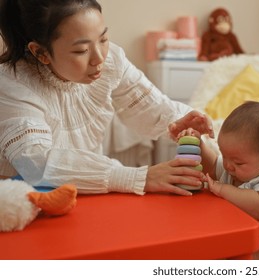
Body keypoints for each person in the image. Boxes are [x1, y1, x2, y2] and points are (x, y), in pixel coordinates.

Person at [0, 0, 214, 196]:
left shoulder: (110, 61)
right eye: (81, 50)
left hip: (82, 196)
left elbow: (149, 105)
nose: (99, 58)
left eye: (103, 39)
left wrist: (177, 121)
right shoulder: (12, 84)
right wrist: (137, 177)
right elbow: (38, 162)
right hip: (21, 204)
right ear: (40, 53)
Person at [178, 101, 259, 260]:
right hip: (238, 230)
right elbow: (213, 165)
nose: (228, 166)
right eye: (225, 155)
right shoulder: (235, 165)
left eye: (238, 162)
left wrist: (222, 189)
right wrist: (198, 144)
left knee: (250, 262)